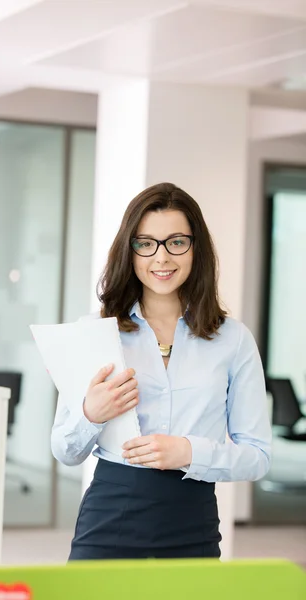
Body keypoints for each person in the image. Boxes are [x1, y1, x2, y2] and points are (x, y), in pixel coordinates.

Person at [51, 182, 272, 561]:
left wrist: (189, 452)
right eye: (146, 243)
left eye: (176, 242)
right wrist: (91, 414)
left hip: (192, 518)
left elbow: (258, 457)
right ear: (130, 250)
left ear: (195, 247)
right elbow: (65, 451)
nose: (161, 258)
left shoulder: (232, 339)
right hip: (110, 515)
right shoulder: (96, 332)